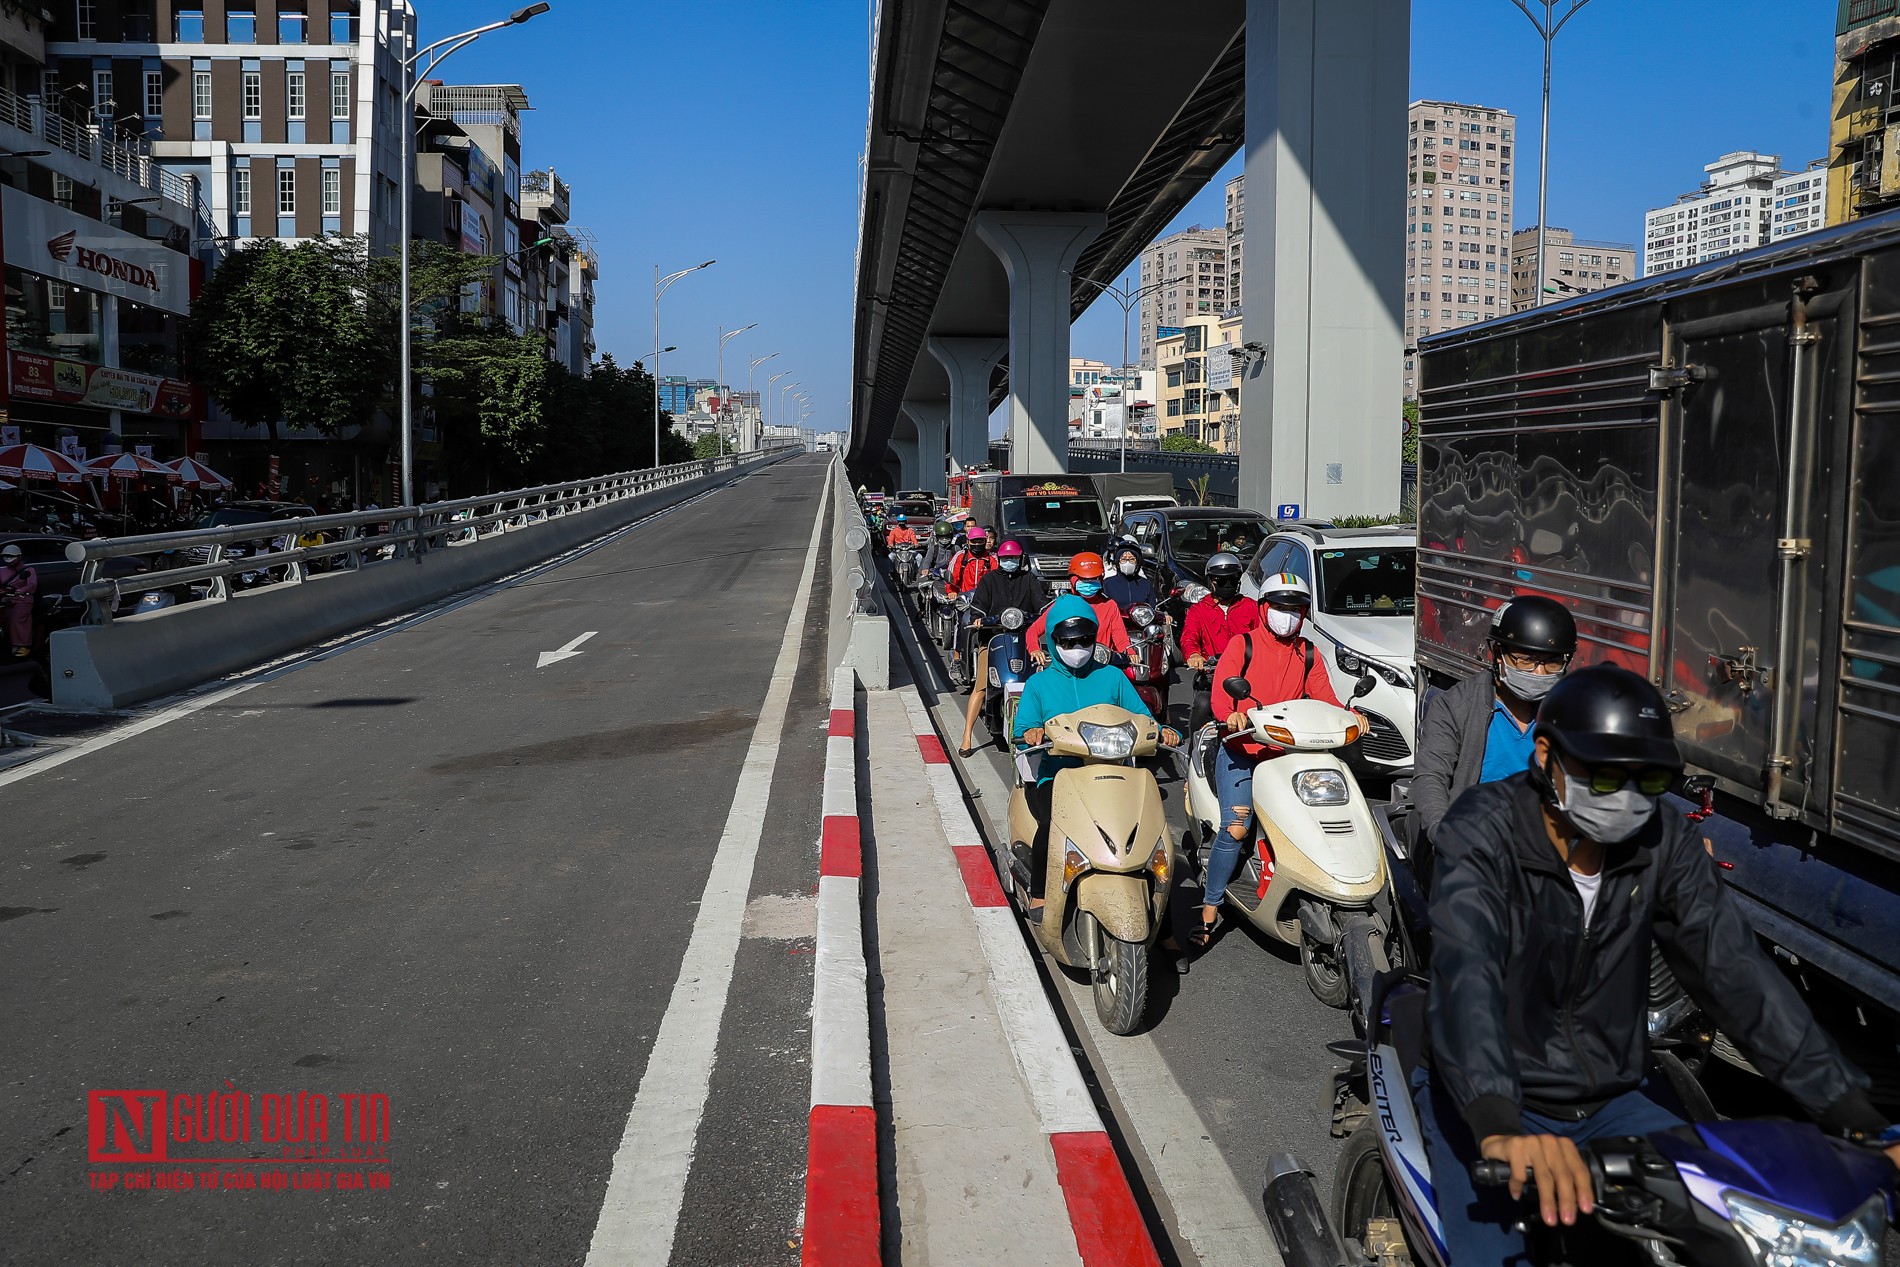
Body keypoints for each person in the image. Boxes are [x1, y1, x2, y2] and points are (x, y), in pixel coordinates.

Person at [1420, 665, 1898, 1264]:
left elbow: (1734, 974)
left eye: (1643, 780)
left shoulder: (1662, 839)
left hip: (1614, 1100)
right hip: (1493, 1104)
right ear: (1546, 757)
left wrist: (1853, 1115)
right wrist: (1498, 1121)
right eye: (1602, 775)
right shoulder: (1482, 830)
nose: (1624, 798)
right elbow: (1468, 978)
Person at [1012, 595, 1178, 919]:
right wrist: (1031, 733)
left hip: (1115, 773)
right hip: (1060, 775)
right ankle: (1039, 894)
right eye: (1068, 641)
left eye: (1085, 640)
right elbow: (1023, 727)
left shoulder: (1113, 678)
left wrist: (1164, 730)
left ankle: (1165, 924)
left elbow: (1144, 717)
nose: (1077, 647)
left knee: (1151, 834)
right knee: (1051, 823)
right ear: (1053, 641)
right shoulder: (1039, 684)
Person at [1198, 572, 1343, 943]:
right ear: (1264, 608)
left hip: (1290, 754)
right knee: (1236, 828)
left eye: (1295, 609)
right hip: (1242, 751)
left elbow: (1325, 699)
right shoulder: (1241, 645)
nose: (1287, 614)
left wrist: (1350, 716)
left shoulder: (1308, 653)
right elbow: (1222, 692)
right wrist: (1230, 714)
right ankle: (1210, 906)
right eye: (1280, 607)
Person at [1413, 595, 1575, 846]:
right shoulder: (1455, 707)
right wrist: (1444, 833)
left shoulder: (1572, 710)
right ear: (1498, 654)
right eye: (1527, 660)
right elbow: (1430, 777)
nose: (1540, 673)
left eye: (1552, 663)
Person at [958, 539, 1050, 755]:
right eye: (1006, 558)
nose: (1010, 561)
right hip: (994, 638)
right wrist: (980, 619)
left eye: (1013, 558)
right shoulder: (989, 580)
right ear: (999, 559)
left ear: (1021, 559)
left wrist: (1045, 616)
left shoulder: (1029, 579)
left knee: (1042, 682)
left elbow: (1042, 605)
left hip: (1026, 639)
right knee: (980, 687)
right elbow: (978, 607)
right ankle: (966, 736)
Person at [1180, 551, 1260, 734]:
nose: (1228, 584)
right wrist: (1193, 655)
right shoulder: (1198, 610)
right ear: (1211, 581)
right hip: (1213, 678)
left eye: (1232, 579)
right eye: (1222, 580)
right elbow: (1189, 636)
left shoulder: (1251, 607)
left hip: (1248, 677)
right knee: (1202, 704)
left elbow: (1262, 636)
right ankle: (1195, 749)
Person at [1027, 553, 1130, 667]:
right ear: (1073, 580)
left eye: (1093, 579)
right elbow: (1033, 630)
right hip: (1069, 667)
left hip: (1101, 665)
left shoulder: (1109, 605)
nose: (1089, 584)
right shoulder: (1063, 604)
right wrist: (1034, 649)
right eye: (1084, 580)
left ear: (1100, 579)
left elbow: (1120, 638)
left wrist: (1130, 653)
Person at [1101, 541, 1160, 616]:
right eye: (1124, 559)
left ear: (1137, 562)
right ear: (1118, 562)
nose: (1127, 563)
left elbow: (1153, 608)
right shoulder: (1108, 583)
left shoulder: (1146, 584)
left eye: (1132, 559)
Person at [0, 543, 37, 657]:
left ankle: (23, 645)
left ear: (19, 557)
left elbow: (32, 585)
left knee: (16, 618)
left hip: (23, 600)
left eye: (12, 556)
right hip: (6, 600)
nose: (8, 559)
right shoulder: (2, 571)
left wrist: (21, 590)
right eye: (6, 556)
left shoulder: (29, 570)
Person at [946, 525, 996, 595]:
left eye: (980, 541)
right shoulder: (961, 556)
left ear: (985, 541)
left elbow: (997, 579)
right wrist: (951, 591)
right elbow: (952, 575)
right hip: (964, 598)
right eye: (973, 541)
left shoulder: (992, 558)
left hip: (986, 598)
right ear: (968, 542)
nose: (977, 544)